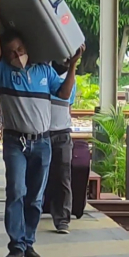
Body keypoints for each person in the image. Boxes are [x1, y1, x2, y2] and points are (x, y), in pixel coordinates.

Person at [0, 0, 82, 257]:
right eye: (11, 52)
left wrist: (74, 65)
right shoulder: (2, 71)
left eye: (19, 50)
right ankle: (15, 245)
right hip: (16, 142)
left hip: (43, 142)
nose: (17, 56)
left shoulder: (44, 71)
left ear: (27, 47)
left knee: (35, 198)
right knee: (16, 191)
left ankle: (28, 242)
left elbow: (64, 95)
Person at [46, 59, 75, 234]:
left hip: (62, 133)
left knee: (63, 177)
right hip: (42, 132)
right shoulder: (44, 72)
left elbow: (68, 105)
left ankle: (63, 219)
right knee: (38, 177)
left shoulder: (71, 78)